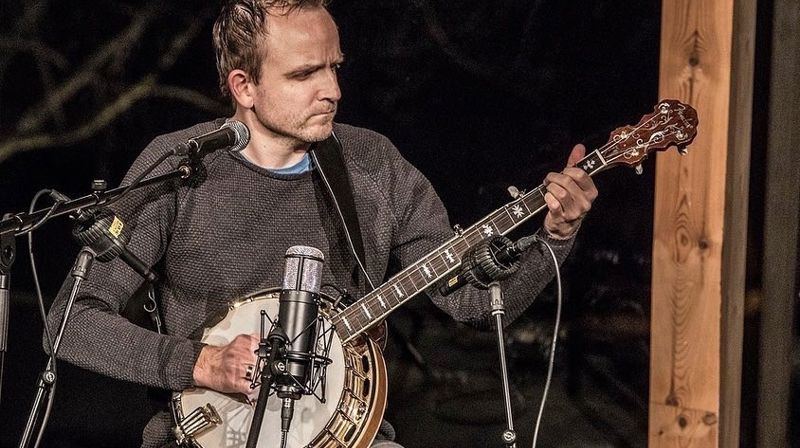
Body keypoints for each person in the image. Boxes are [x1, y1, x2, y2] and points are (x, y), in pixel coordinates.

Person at [46, 1, 598, 447]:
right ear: (244, 87)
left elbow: (475, 304)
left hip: (353, 436)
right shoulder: (178, 167)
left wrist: (555, 236)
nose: (331, 89)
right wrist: (201, 362)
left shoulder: (373, 165)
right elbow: (70, 323)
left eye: (334, 66)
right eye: (305, 73)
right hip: (201, 434)